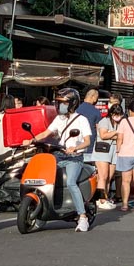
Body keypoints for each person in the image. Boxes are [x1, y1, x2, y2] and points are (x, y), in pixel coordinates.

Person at [22, 88, 93, 232]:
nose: (60, 106)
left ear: (72, 104)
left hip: (75, 158)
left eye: (63, 103)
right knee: (45, 178)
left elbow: (87, 141)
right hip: (59, 156)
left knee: (72, 182)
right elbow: (46, 133)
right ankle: (43, 212)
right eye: (59, 103)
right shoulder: (58, 119)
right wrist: (32, 140)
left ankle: (83, 217)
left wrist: (75, 148)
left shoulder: (82, 120)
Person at [94, 105, 121, 210]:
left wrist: (114, 135)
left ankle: (105, 196)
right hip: (103, 150)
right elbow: (103, 135)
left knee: (109, 177)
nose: (117, 117)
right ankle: (101, 199)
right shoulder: (104, 121)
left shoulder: (119, 123)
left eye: (119, 115)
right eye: (115, 115)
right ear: (111, 114)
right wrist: (115, 133)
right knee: (103, 176)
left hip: (114, 151)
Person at [77, 88, 103, 173]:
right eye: (97, 97)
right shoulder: (95, 112)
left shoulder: (76, 109)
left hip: (77, 145)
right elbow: (99, 129)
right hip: (90, 146)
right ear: (93, 97)